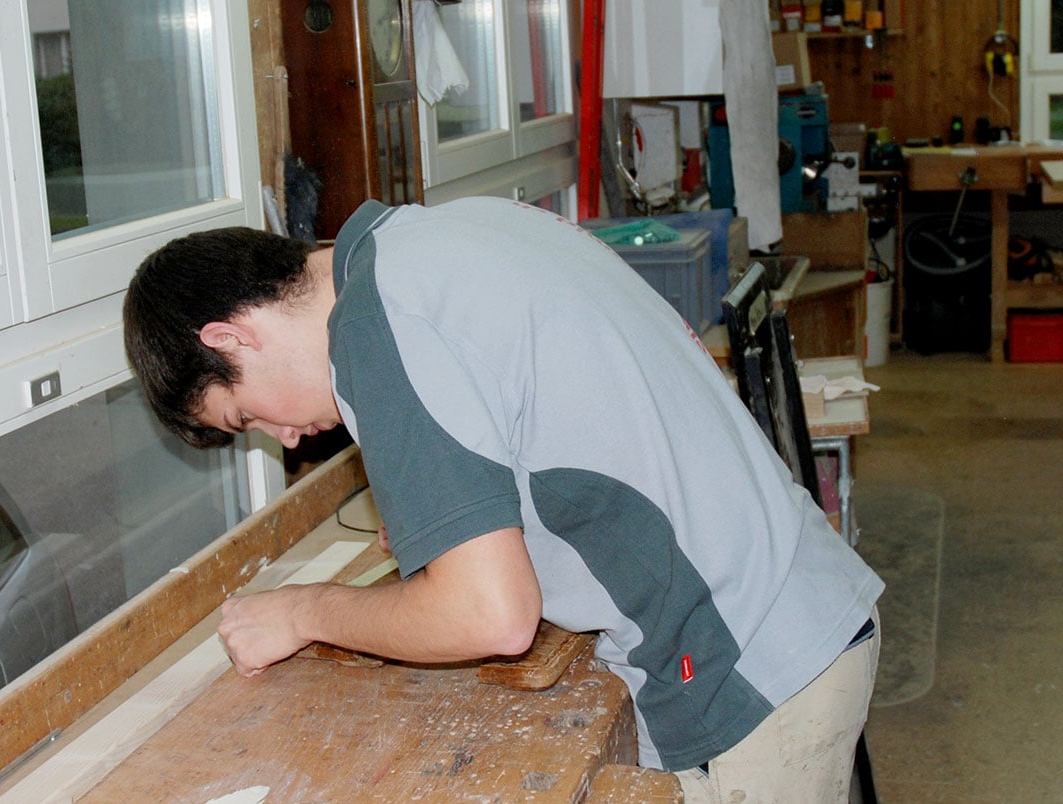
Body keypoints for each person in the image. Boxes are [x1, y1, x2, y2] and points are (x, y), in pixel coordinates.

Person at [123, 196, 884, 802]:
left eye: (246, 414)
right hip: (795, 605)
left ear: (230, 337)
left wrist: (301, 611)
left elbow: (493, 615)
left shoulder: (371, 330)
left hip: (747, 675)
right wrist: (456, 520)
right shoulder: (443, 231)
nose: (283, 437)